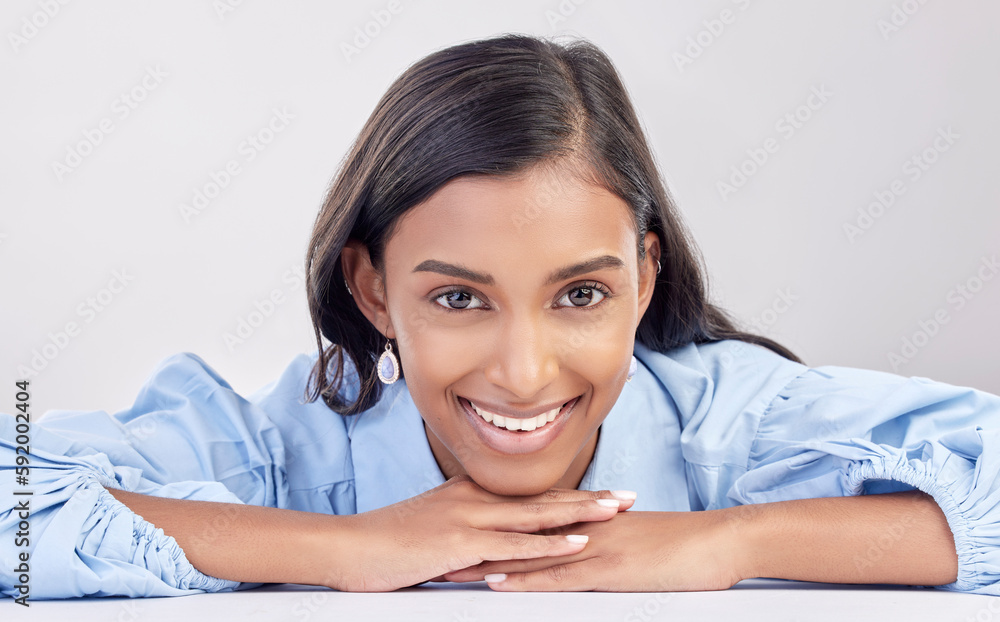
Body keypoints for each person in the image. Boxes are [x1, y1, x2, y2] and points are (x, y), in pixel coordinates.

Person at [2, 32, 998, 601]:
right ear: (372, 290)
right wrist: (343, 548)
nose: (524, 372)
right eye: (456, 297)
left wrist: (732, 542)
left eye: (580, 294)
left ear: (642, 280)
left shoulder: (739, 427)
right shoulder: (281, 451)